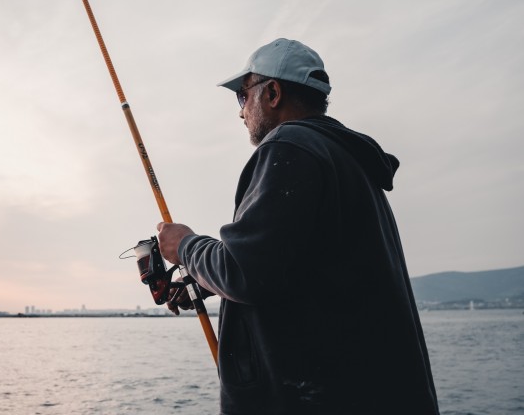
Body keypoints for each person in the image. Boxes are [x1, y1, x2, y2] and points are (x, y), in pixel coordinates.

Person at [157, 38, 439, 415]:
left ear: (272, 92)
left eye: (243, 96)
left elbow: (245, 271)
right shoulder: (343, 159)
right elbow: (303, 269)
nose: (241, 112)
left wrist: (186, 247)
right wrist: (205, 280)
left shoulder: (291, 146)